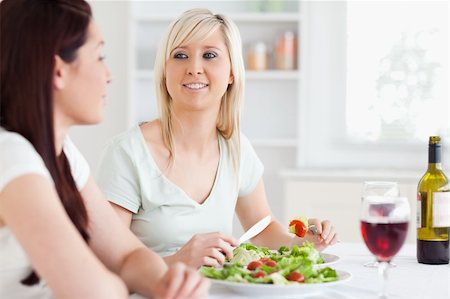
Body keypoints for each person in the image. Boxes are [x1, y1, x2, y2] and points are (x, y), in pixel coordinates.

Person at [97, 8, 339, 269]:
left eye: (210, 55)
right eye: (180, 55)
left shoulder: (237, 149)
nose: (194, 68)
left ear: (232, 72)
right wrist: (178, 261)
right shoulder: (127, 153)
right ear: (165, 71)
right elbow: (108, 263)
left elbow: (262, 228)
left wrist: (303, 242)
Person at [0, 1, 209, 298]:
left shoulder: (63, 154)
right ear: (57, 71)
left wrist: (166, 282)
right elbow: (96, 292)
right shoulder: (11, 156)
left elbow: (127, 256)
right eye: (100, 56)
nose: (109, 74)